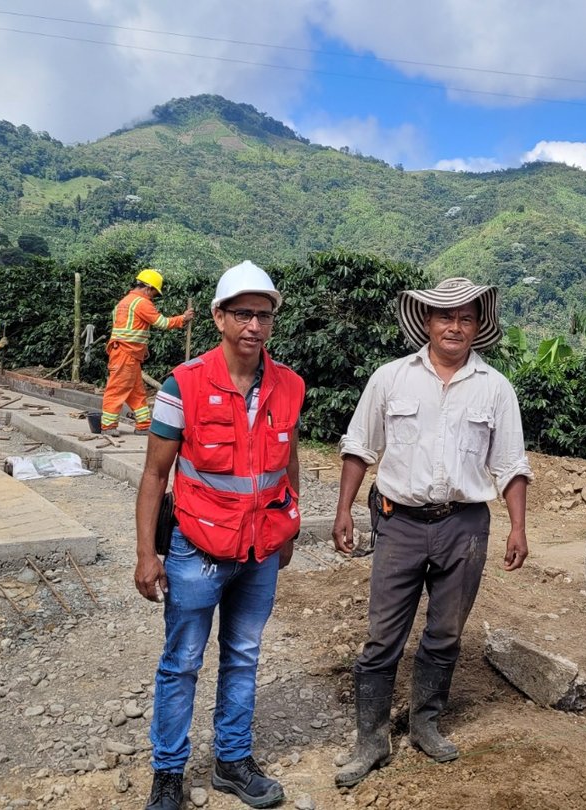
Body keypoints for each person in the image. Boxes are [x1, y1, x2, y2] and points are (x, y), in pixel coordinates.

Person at [331, 276, 532, 788]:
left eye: (466, 318)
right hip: (399, 522)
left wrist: (518, 527)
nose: (455, 326)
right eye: (446, 316)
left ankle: (425, 723)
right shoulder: (391, 378)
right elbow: (360, 447)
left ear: (478, 327)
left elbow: (511, 464)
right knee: (382, 635)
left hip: (465, 526)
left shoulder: (495, 388)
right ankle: (371, 738)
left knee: (445, 632)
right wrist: (343, 510)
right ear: (427, 322)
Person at [133, 260, 305, 810]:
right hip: (197, 549)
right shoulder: (182, 385)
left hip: (260, 550)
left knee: (244, 655)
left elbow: (288, 463)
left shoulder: (290, 386)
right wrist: (147, 553)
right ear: (218, 317)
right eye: (242, 314)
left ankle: (232, 761)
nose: (254, 325)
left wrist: (289, 528)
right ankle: (167, 773)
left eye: (263, 315)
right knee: (182, 660)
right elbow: (155, 474)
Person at [100, 268, 193, 436]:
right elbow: (162, 323)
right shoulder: (142, 303)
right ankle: (108, 426)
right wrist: (183, 318)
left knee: (136, 392)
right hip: (126, 353)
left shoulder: (124, 302)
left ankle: (143, 425)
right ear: (149, 288)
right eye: (154, 293)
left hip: (126, 353)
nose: (153, 296)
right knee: (117, 389)